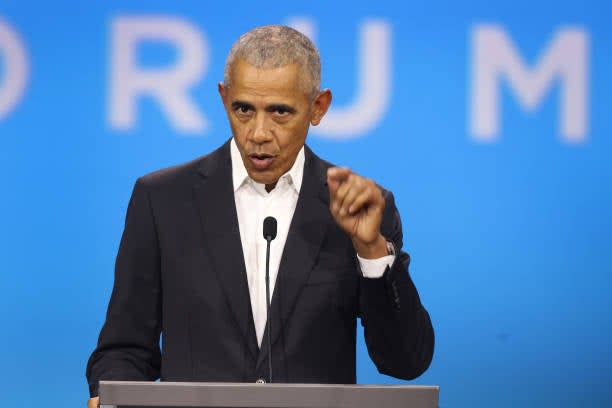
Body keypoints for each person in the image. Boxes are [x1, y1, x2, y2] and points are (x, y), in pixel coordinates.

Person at [86, 25, 434, 408]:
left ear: (318, 107)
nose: (259, 133)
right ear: (224, 98)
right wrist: (111, 395)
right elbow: (124, 349)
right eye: (244, 109)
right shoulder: (163, 200)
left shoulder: (360, 210)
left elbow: (406, 361)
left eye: (280, 112)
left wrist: (370, 250)